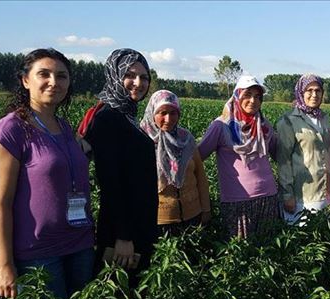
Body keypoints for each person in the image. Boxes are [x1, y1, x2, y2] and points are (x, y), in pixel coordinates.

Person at [0, 48, 94, 299]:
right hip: (39, 254)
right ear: (26, 80)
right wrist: (3, 265)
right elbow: (1, 203)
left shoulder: (66, 127)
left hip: (80, 244)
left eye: (61, 76)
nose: (53, 82)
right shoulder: (11, 130)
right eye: (43, 74)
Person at [82, 48, 157, 284]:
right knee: (119, 295)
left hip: (138, 222)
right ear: (115, 75)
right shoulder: (107, 118)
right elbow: (110, 182)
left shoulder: (126, 115)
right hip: (123, 230)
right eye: (130, 75)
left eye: (144, 77)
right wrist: (123, 236)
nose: (138, 83)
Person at [198, 75, 280, 239]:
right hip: (236, 200)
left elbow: (279, 154)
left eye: (258, 97)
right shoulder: (221, 126)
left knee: (266, 252)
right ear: (237, 96)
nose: (253, 101)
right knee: (240, 251)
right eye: (247, 95)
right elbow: (197, 156)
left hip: (268, 197)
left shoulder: (263, 125)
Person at [140, 90, 211, 237]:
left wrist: (206, 209)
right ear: (152, 113)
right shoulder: (142, 142)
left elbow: (200, 176)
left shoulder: (186, 139)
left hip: (193, 216)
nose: (168, 119)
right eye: (162, 113)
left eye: (173, 113)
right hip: (159, 221)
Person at [277, 74, 330, 225]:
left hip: (324, 193)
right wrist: (287, 195)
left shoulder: (325, 118)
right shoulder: (288, 121)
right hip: (302, 196)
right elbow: (283, 160)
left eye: (318, 90)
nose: (314, 95)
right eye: (309, 90)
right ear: (301, 93)